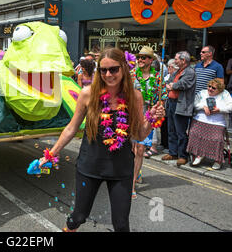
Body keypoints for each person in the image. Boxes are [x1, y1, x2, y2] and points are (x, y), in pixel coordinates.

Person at [39, 48, 165, 232]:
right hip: (90, 164)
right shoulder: (88, 93)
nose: (108, 74)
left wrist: (152, 120)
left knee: (122, 225)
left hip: (121, 167)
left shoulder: (134, 96)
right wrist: (50, 155)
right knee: (78, 217)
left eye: (113, 69)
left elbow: (139, 135)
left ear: (123, 68)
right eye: (103, 70)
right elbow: (71, 128)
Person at [130, 46, 167, 199]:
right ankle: (136, 173)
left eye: (144, 57)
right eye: (139, 57)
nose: (140, 60)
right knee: (132, 149)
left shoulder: (158, 77)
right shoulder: (132, 75)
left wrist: (158, 110)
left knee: (140, 149)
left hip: (148, 114)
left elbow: (163, 96)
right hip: (132, 113)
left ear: (151, 60)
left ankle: (131, 184)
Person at [187, 78, 232, 170]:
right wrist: (203, 107)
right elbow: (194, 104)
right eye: (209, 86)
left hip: (218, 122)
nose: (210, 89)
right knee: (194, 133)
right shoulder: (202, 93)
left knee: (216, 139)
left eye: (213, 88)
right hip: (200, 119)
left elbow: (230, 106)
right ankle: (199, 155)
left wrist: (219, 109)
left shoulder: (225, 94)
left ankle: (217, 160)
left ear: (219, 89)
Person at [163, 51, 196, 166]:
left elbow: (182, 85)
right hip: (171, 103)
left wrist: (172, 85)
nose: (175, 61)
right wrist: (171, 85)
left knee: (180, 131)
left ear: (183, 60)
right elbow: (167, 81)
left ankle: (182, 155)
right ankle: (173, 152)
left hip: (181, 104)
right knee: (171, 129)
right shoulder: (177, 71)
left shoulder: (190, 72)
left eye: (176, 59)